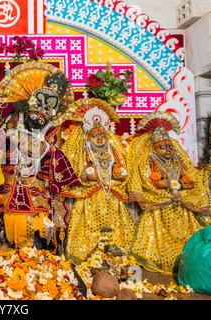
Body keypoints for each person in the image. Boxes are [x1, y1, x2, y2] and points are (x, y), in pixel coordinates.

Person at [0, 61, 81, 249]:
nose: (37, 118)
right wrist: (5, 135)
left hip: (37, 180)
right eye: (34, 114)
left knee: (37, 215)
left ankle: (36, 253)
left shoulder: (52, 130)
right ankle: (4, 251)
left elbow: (53, 153)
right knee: (5, 212)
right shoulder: (13, 120)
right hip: (10, 176)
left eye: (42, 117)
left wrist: (38, 148)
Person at [127, 111, 209, 275]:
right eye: (162, 147)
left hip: (181, 205)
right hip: (161, 206)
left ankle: (186, 258)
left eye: (169, 146)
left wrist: (185, 184)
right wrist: (162, 185)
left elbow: (189, 177)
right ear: (153, 148)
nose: (167, 150)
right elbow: (148, 181)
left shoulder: (178, 160)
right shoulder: (149, 161)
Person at [61, 98, 136, 263]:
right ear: (87, 137)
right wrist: (85, 175)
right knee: (89, 229)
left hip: (113, 197)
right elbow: (77, 172)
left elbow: (121, 170)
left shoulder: (112, 151)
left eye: (102, 135)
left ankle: (115, 256)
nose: (100, 139)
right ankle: (90, 256)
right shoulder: (84, 151)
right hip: (90, 198)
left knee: (115, 230)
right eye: (95, 136)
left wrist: (119, 173)